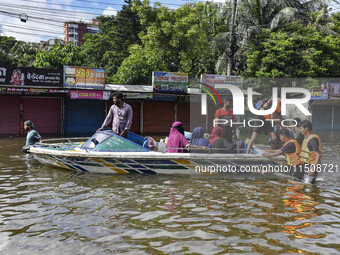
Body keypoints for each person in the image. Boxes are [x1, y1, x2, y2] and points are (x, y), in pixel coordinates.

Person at [299, 120, 322, 184]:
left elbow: (318, 154)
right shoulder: (306, 138)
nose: (300, 130)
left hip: (312, 164)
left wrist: (313, 168)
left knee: (308, 185)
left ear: (306, 128)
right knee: (307, 183)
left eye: (301, 128)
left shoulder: (312, 139)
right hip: (308, 163)